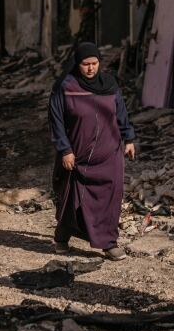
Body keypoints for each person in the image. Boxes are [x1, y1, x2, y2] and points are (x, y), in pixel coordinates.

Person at [49, 42, 136, 261]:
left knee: (111, 197)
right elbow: (56, 120)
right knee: (72, 198)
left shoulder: (109, 84)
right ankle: (63, 235)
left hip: (110, 153)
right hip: (77, 155)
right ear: (77, 64)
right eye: (85, 64)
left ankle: (109, 243)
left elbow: (121, 113)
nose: (90, 69)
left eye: (94, 63)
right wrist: (65, 149)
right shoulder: (66, 86)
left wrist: (129, 138)